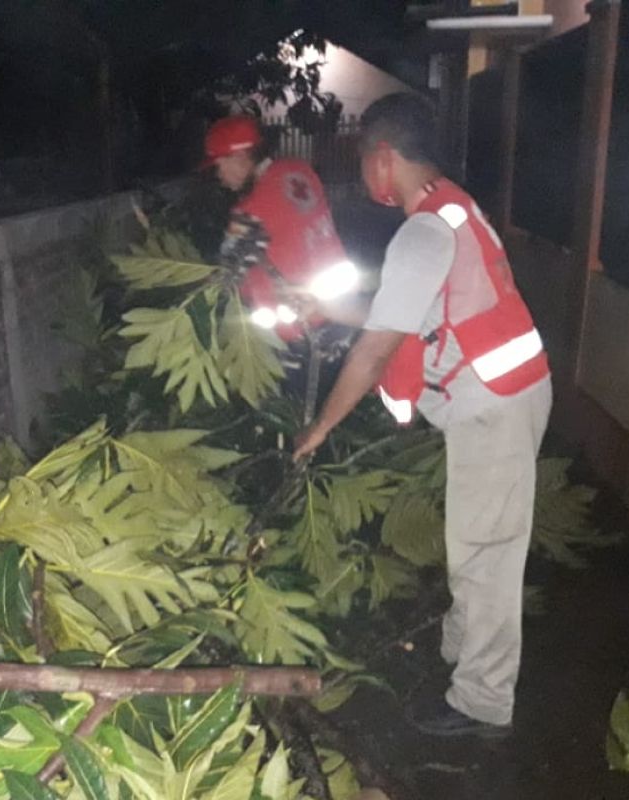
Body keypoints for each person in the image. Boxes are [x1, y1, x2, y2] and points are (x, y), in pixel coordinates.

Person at [293, 92, 552, 738]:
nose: (362, 175)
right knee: (476, 540)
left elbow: (378, 348)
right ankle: (460, 654)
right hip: (507, 395)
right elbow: (396, 311)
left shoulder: (423, 233)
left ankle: (483, 701)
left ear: (383, 158)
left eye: (362, 161)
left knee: (487, 553)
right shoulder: (453, 210)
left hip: (494, 405)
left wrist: (321, 428)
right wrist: (327, 309)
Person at [203, 116, 360, 369]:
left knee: (295, 406)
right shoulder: (300, 171)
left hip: (297, 337)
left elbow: (226, 276)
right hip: (340, 316)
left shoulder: (250, 211)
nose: (218, 175)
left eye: (220, 165)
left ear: (240, 157)